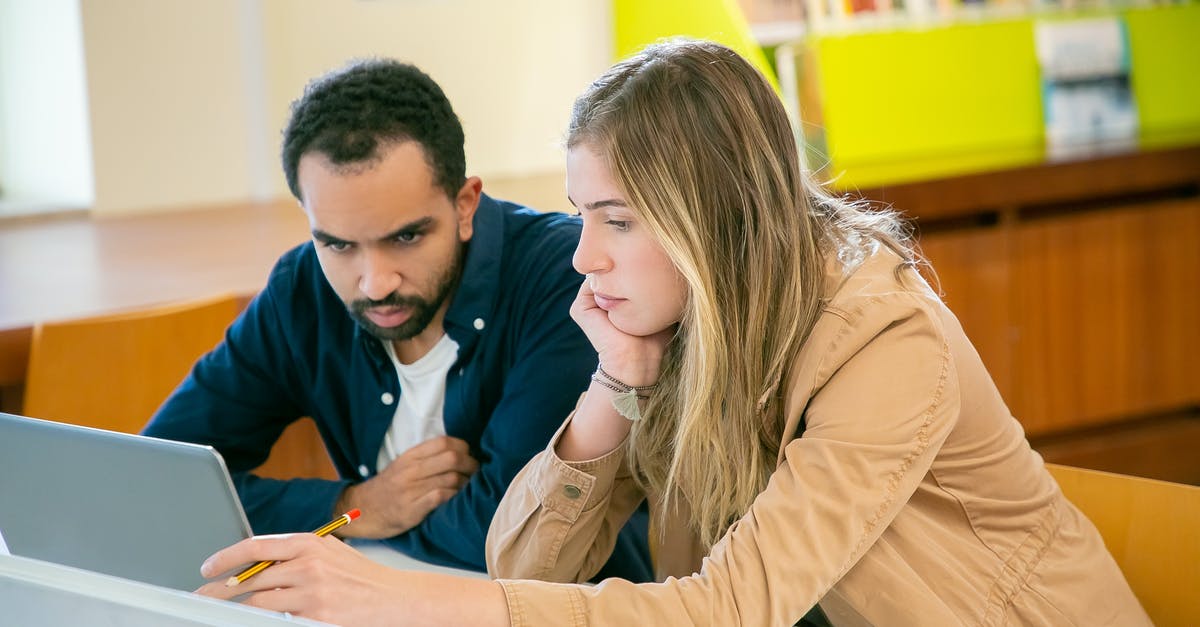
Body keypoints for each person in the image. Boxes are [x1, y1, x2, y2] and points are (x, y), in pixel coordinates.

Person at [195, 40, 1150, 626]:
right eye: (580, 217)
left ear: (714, 218)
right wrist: (615, 387)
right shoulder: (678, 327)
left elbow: (728, 610)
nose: (582, 257)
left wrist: (403, 604)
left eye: (616, 220)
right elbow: (523, 564)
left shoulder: (885, 344)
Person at [143, 58, 651, 582]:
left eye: (405, 237)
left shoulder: (564, 277)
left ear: (464, 204)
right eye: (338, 244)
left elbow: (510, 536)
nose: (375, 282)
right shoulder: (302, 288)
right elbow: (159, 476)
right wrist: (355, 506)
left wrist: (363, 524)